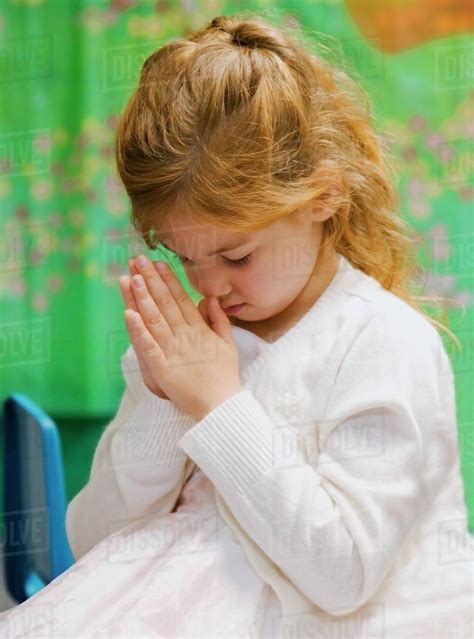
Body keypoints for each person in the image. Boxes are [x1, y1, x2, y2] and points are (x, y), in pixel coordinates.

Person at [1, 12, 472, 638]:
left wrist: (217, 403)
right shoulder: (193, 346)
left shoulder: (383, 342)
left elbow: (343, 574)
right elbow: (96, 542)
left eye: (237, 255)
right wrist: (165, 401)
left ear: (323, 197)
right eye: (185, 257)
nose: (210, 285)